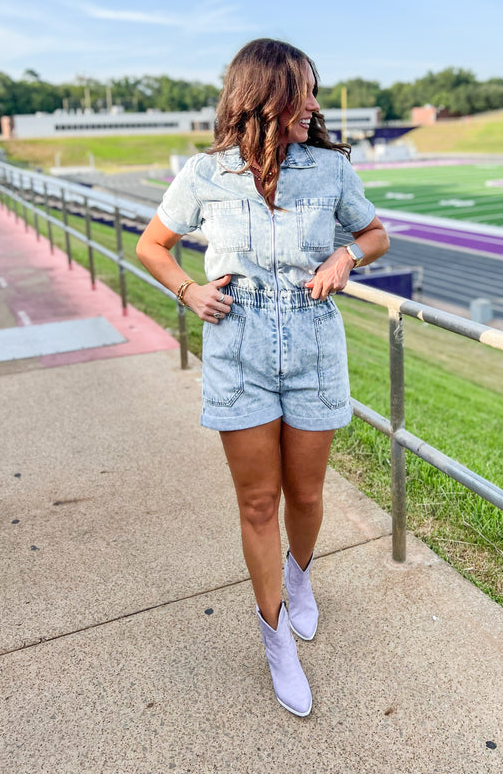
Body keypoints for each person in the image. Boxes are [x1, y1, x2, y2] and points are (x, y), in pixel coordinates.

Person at [136, 38, 389, 717]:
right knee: (258, 504)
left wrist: (344, 258)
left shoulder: (330, 170)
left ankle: (300, 581)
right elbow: (151, 245)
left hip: (311, 342)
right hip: (237, 345)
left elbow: (376, 235)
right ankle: (277, 641)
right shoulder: (205, 173)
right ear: (265, 98)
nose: (314, 103)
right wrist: (188, 292)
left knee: (305, 495)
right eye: (303, 91)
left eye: (314, 89)